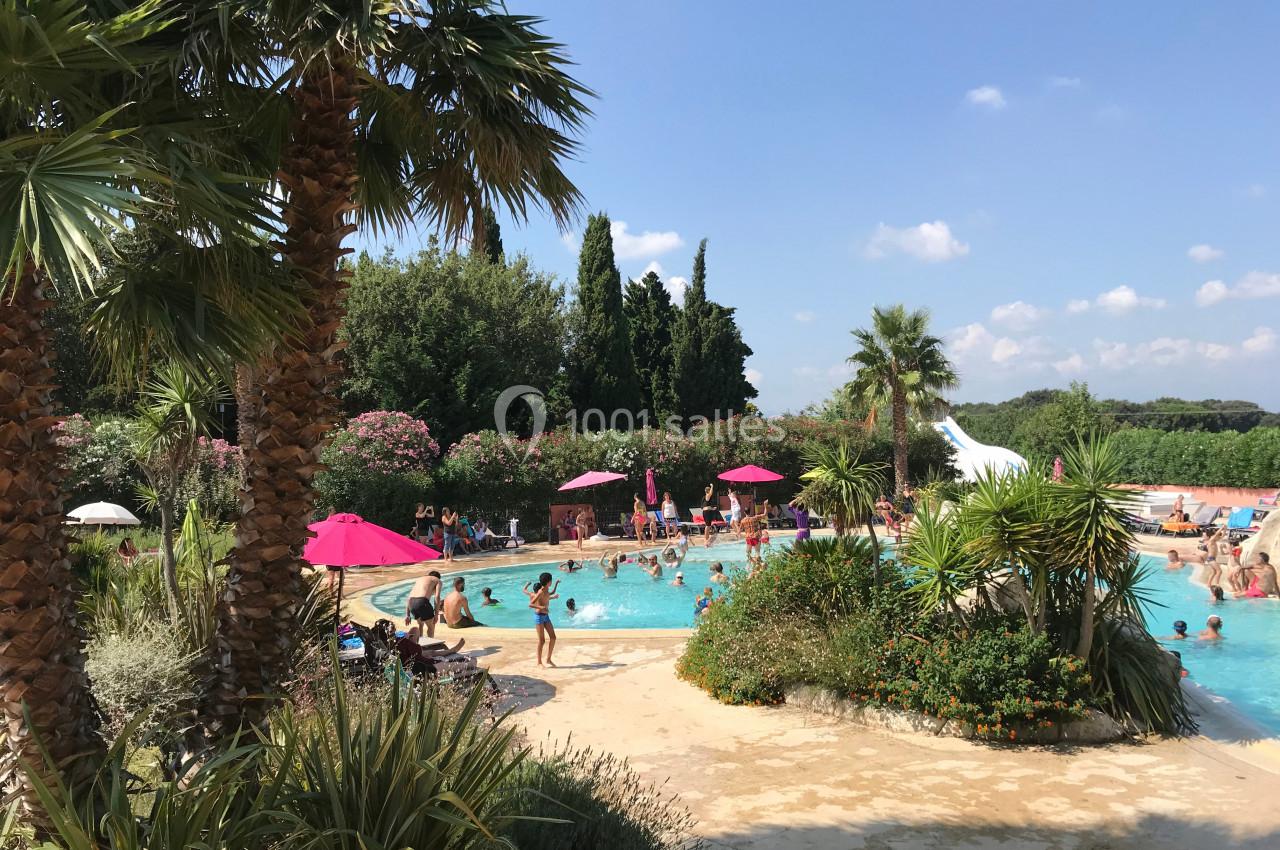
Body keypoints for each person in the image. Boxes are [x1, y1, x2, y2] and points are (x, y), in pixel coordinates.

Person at [523, 572, 560, 667]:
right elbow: (531, 604)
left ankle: (548, 659)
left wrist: (556, 585)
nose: (551, 582)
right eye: (551, 580)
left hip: (546, 617)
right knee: (542, 641)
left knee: (553, 637)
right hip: (539, 617)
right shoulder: (540, 591)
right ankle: (539, 662)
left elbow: (548, 595)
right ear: (548, 582)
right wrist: (541, 607)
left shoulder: (547, 590)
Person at [395, 627, 466, 676]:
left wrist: (402, 635)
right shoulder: (396, 644)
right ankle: (452, 650)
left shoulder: (392, 640)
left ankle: (452, 650)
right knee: (431, 653)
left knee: (415, 630)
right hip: (413, 659)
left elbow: (397, 634)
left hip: (410, 652)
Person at [404, 570, 442, 637]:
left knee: (421, 624)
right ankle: (430, 645)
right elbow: (437, 597)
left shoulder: (420, 579)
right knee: (431, 627)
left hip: (411, 603)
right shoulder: (437, 580)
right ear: (438, 577)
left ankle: (419, 644)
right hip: (422, 602)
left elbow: (409, 598)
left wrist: (407, 615)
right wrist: (436, 614)